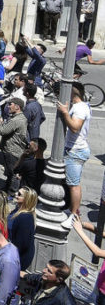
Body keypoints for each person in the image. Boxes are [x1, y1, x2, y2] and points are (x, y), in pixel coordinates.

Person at [59, 81, 92, 229]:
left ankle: (73, 214)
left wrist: (65, 112)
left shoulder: (79, 108)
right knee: (72, 183)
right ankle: (72, 210)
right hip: (74, 149)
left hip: (76, 151)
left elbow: (75, 127)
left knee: (74, 185)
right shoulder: (82, 106)